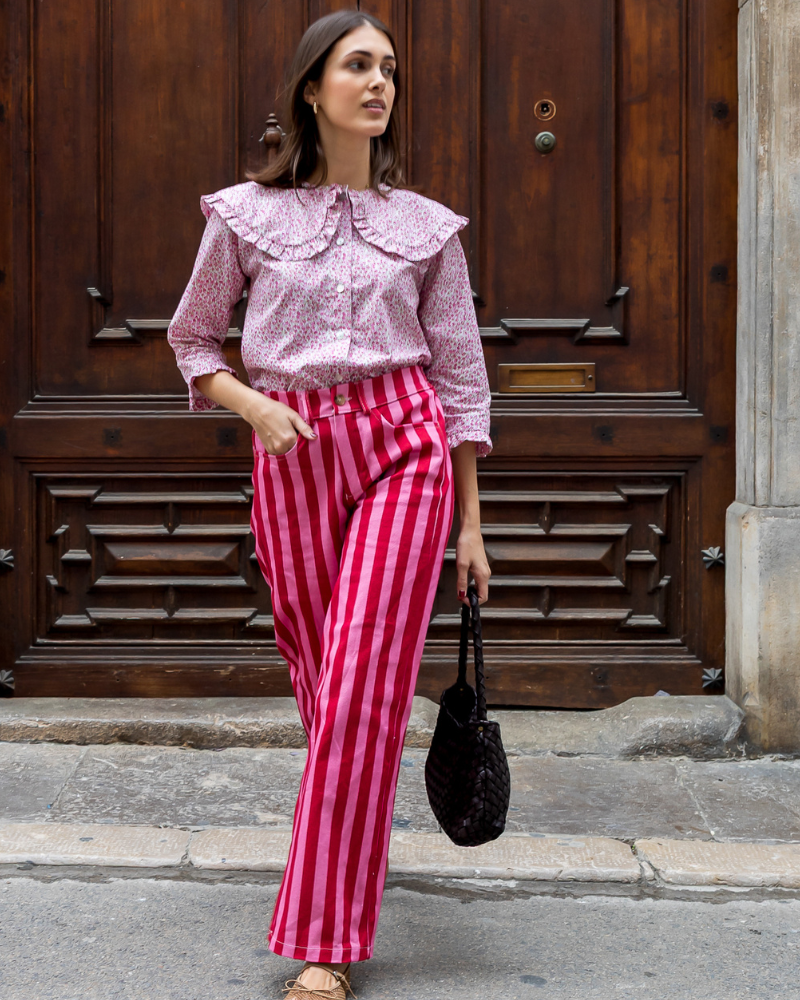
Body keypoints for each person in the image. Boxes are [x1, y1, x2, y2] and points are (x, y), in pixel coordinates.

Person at [167, 10, 492, 998]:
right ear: (313, 89)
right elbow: (191, 344)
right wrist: (254, 405)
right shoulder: (241, 218)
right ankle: (347, 852)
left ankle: (325, 937)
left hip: (403, 444)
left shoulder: (425, 228)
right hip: (291, 448)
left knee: (359, 683)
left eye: (388, 68)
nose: (378, 82)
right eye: (358, 65)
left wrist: (470, 522)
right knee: (324, 682)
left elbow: (458, 374)